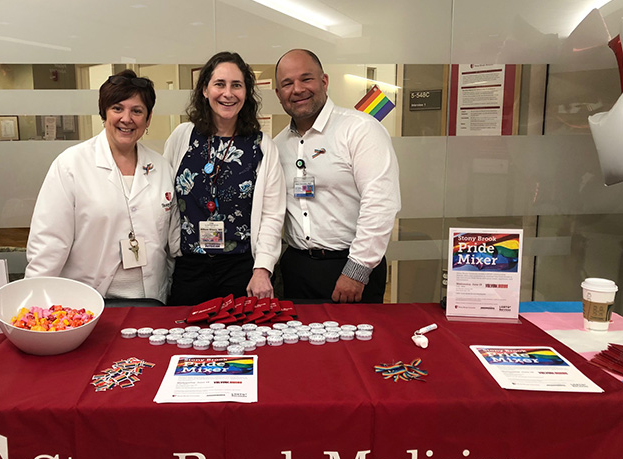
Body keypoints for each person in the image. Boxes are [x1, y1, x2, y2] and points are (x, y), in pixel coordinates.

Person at [25, 70, 179, 303]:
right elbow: (49, 244)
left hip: (151, 303)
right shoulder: (71, 165)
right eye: (117, 108)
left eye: (137, 111)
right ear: (104, 114)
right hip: (88, 303)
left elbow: (171, 246)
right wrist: (33, 303)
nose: (127, 119)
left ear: (147, 119)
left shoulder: (161, 168)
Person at [274, 49, 401, 303]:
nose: (297, 89)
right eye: (287, 83)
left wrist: (357, 271)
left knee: (355, 343)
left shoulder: (359, 129)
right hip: (297, 270)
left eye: (306, 79)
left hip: (350, 268)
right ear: (278, 94)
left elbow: (381, 203)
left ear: (324, 81)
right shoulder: (277, 145)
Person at [164, 51, 286, 305]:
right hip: (189, 268)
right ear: (205, 90)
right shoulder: (182, 137)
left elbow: (272, 214)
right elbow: (165, 199)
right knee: (184, 341)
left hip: (241, 269)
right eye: (219, 84)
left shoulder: (261, 146)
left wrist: (262, 269)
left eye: (237, 85)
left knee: (241, 341)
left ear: (246, 93)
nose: (228, 93)